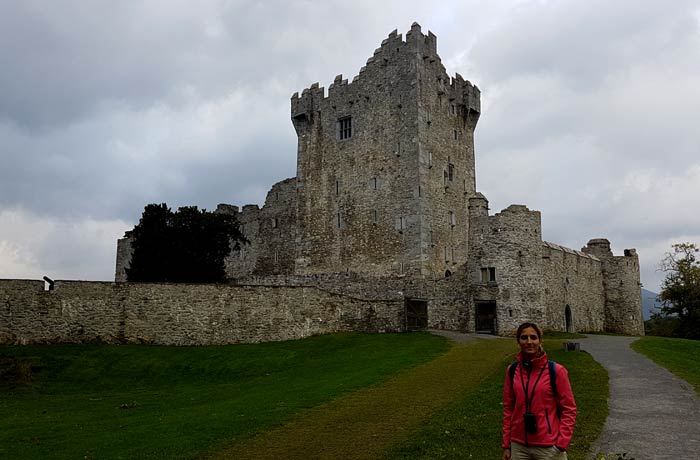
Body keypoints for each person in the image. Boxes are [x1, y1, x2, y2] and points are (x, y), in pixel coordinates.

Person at [502, 322, 577, 460]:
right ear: (518, 341)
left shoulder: (556, 371)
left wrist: (561, 444)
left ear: (540, 340)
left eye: (533, 337)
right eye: (524, 338)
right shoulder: (512, 371)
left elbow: (569, 409)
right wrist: (507, 445)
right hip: (518, 446)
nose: (529, 342)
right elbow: (509, 408)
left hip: (548, 446)